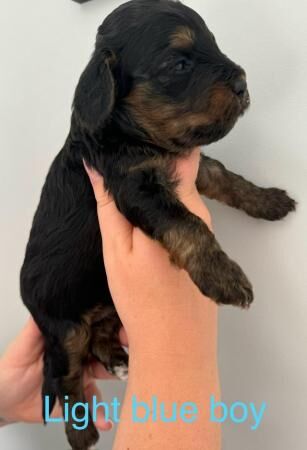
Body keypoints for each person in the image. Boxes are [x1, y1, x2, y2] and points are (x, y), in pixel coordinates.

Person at [0, 148, 221, 450]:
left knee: (72, 352)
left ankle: (101, 348)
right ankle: (80, 414)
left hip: (76, 295)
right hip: (62, 298)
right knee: (68, 361)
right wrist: (176, 354)